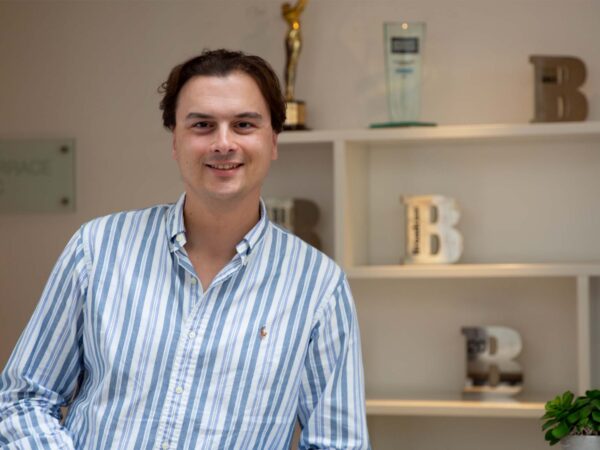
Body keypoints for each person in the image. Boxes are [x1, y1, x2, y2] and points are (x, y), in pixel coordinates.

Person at [0, 49, 370, 449]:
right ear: (175, 140)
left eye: (244, 124)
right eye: (202, 125)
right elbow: (22, 400)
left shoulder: (318, 286)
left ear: (273, 141)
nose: (223, 143)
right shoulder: (98, 248)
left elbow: (339, 444)